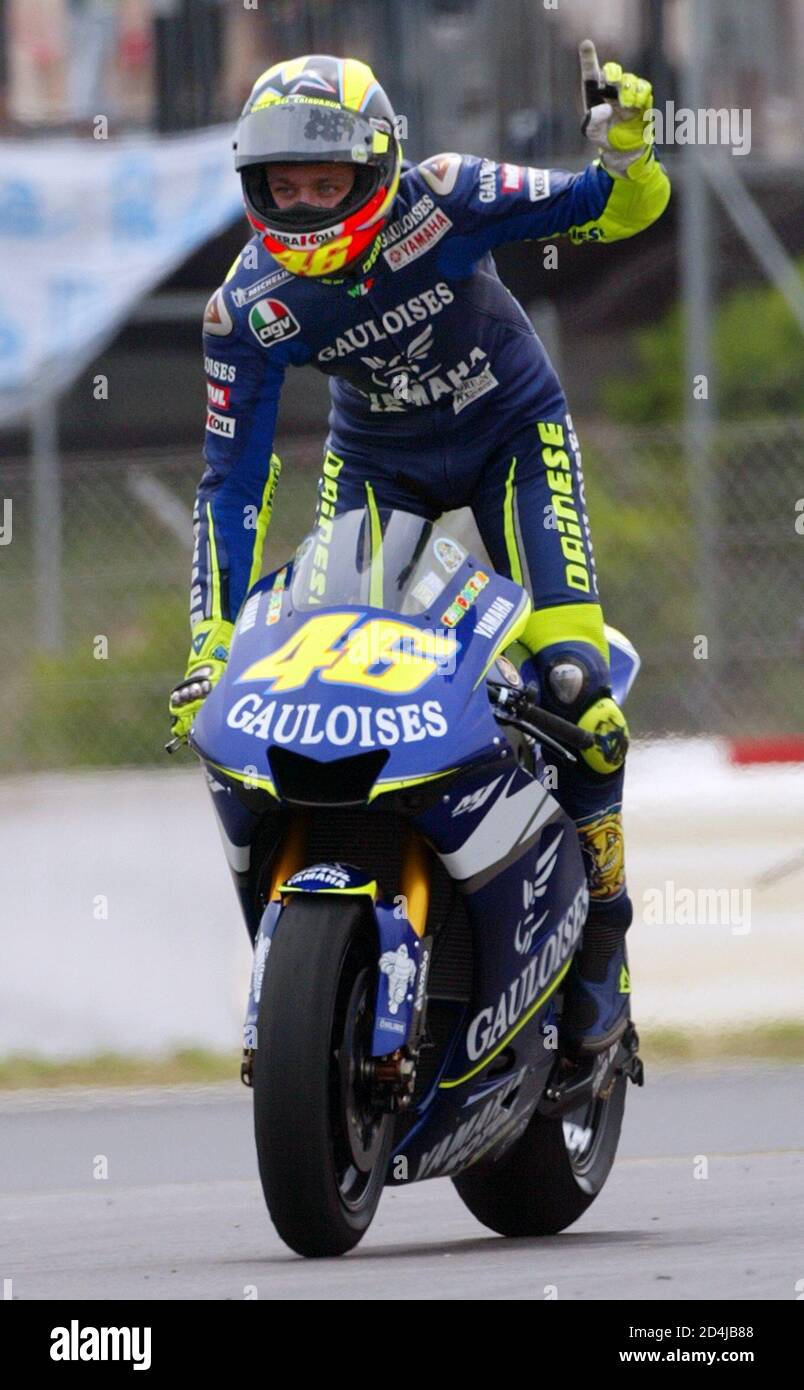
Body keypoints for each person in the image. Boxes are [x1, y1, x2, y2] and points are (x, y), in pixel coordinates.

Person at [169, 51, 670, 1061]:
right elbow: (232, 482)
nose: (304, 206)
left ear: (380, 169)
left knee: (576, 687)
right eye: (284, 186)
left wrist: (627, 152)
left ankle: (606, 935)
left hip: (512, 441)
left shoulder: (448, 197)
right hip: (376, 469)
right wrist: (211, 641)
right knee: (326, 677)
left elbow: (617, 212)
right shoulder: (246, 308)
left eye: (326, 183)